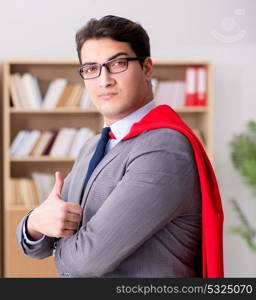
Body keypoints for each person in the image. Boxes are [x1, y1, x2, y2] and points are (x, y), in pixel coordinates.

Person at [16, 15, 224, 278]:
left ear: (147, 68)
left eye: (117, 64)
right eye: (91, 68)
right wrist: (35, 222)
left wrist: (56, 242)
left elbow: (84, 263)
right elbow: (36, 244)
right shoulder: (92, 147)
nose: (104, 80)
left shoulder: (164, 149)